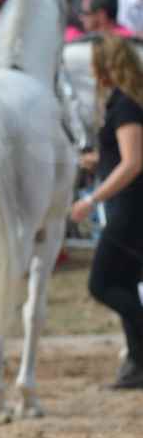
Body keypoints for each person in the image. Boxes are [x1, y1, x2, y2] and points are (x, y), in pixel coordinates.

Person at [69, 35, 143, 388]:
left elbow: (132, 163)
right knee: (125, 282)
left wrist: (91, 199)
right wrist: (97, 160)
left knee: (102, 283)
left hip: (130, 207)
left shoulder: (127, 105)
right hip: (127, 204)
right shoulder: (121, 102)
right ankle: (137, 364)